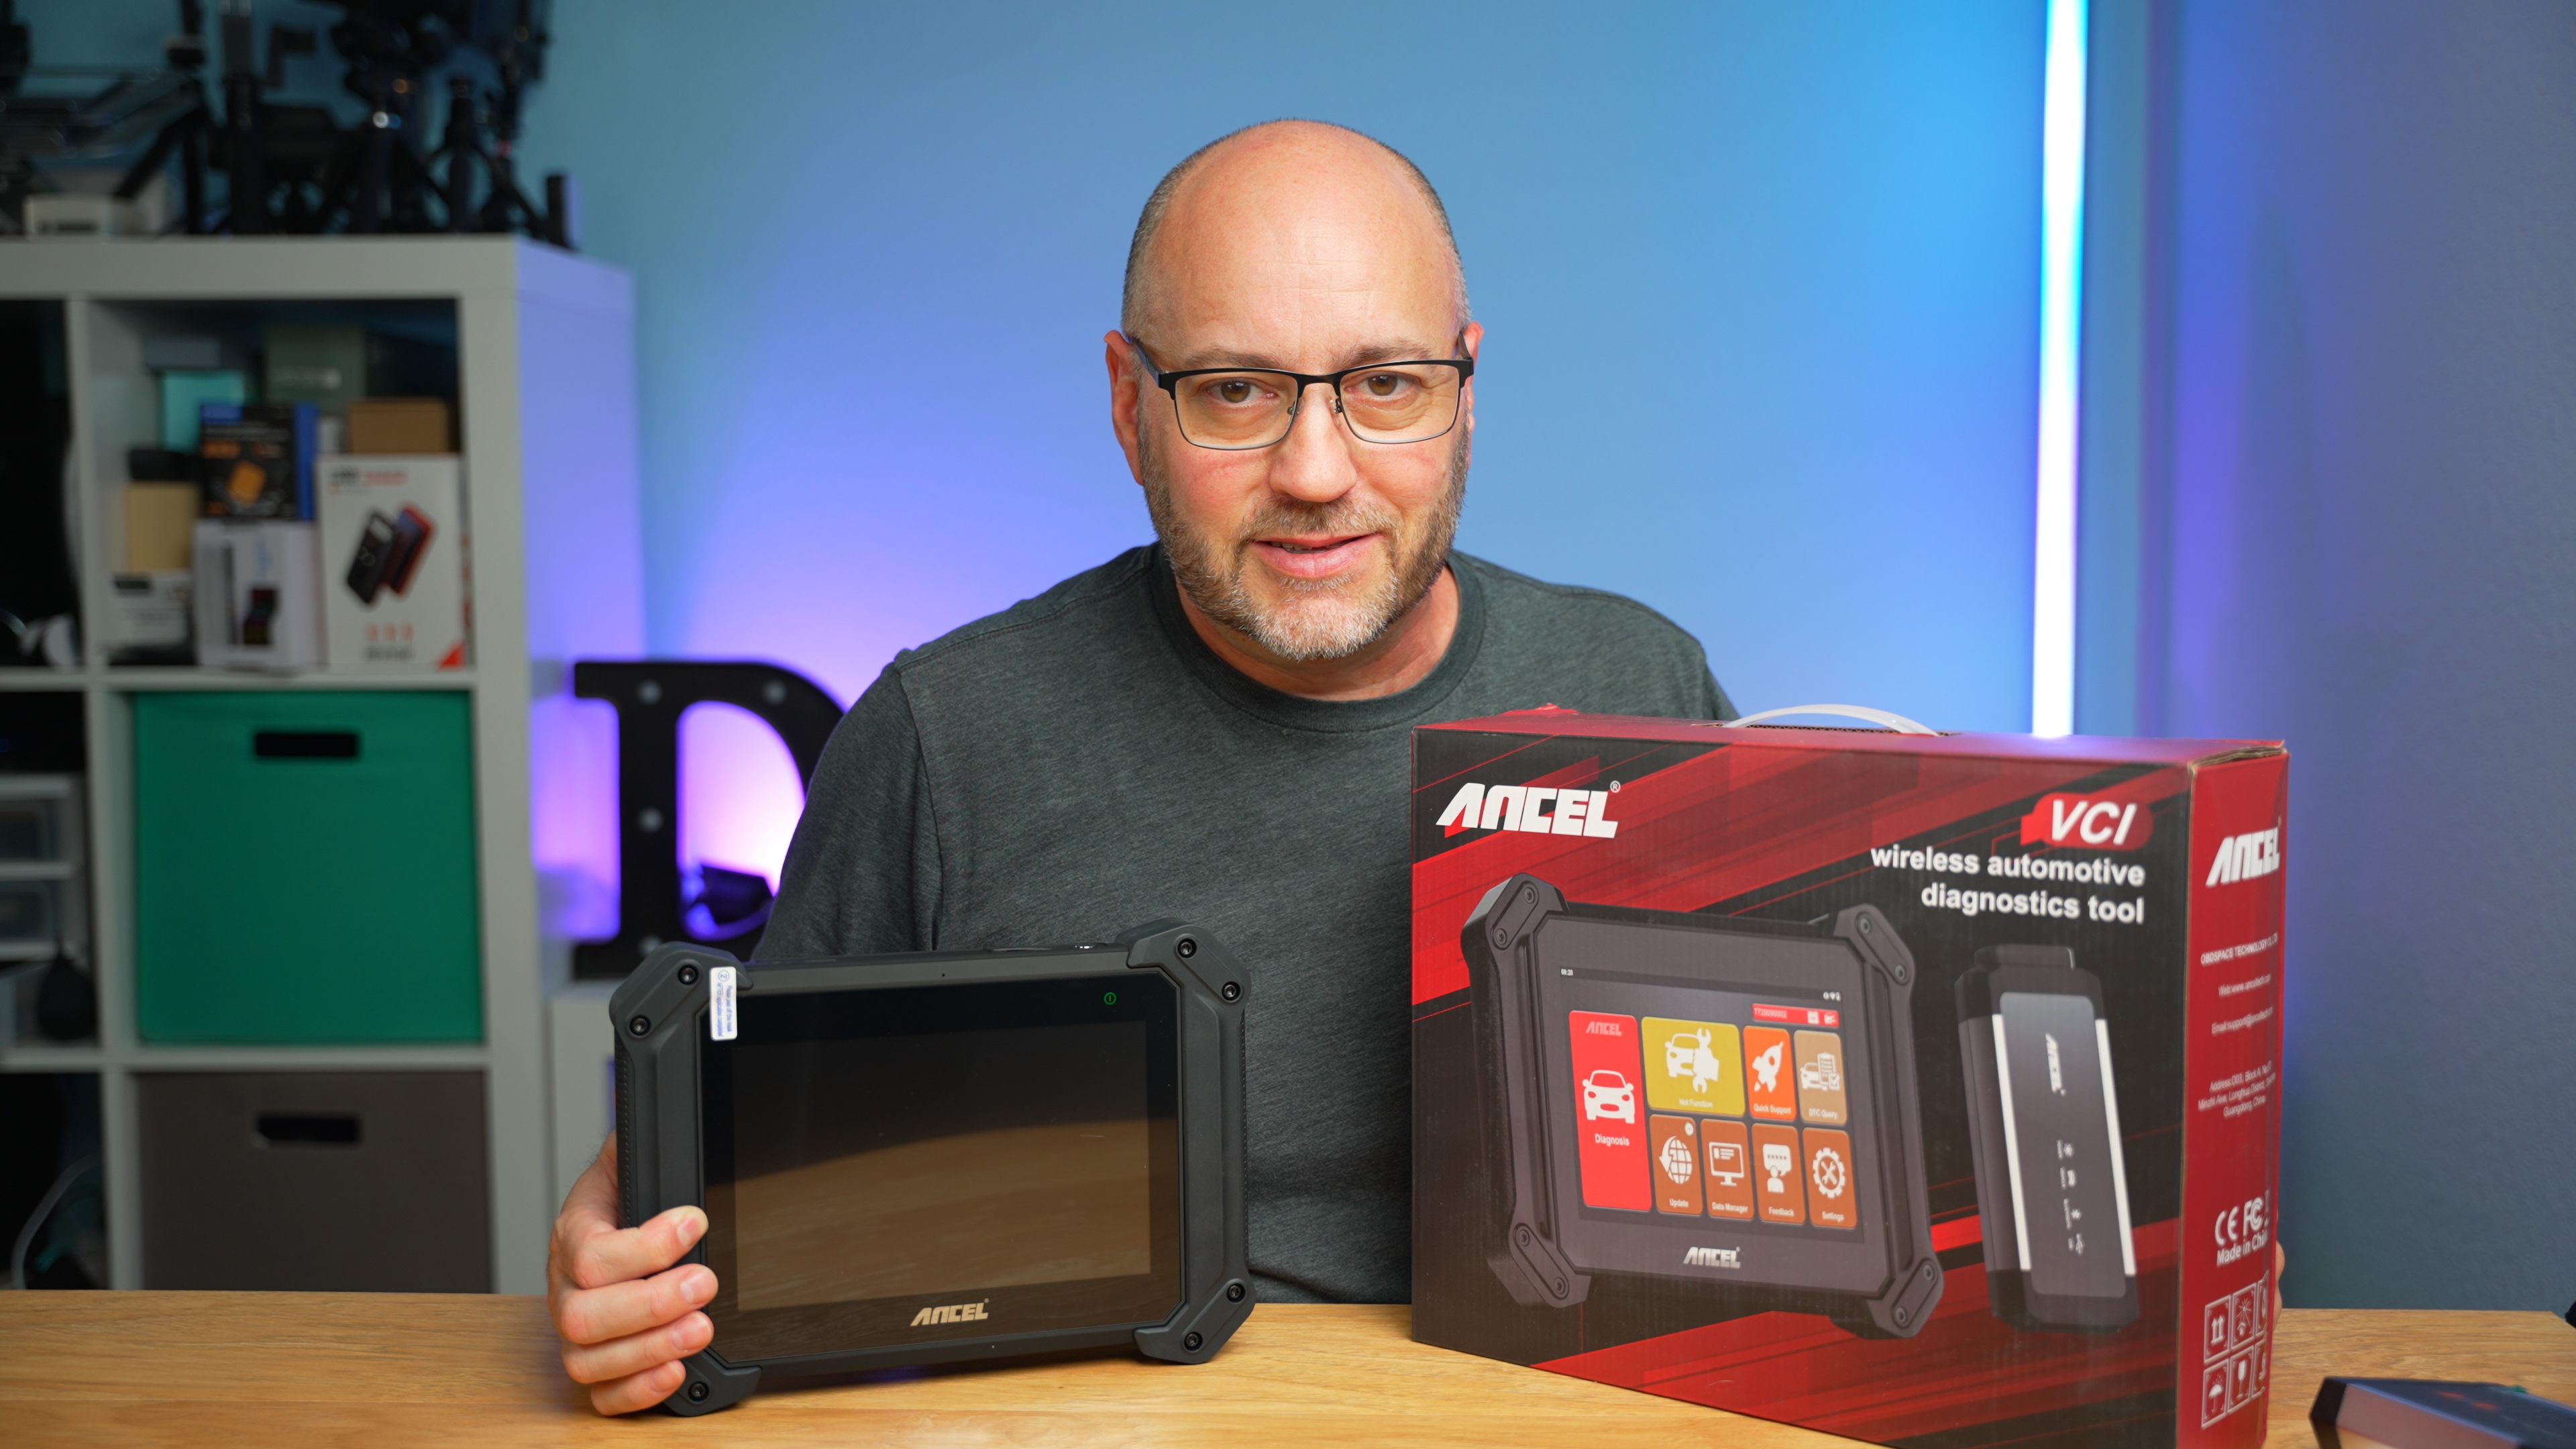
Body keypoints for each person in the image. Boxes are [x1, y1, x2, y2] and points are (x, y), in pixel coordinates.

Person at [547, 118, 1732, 1414]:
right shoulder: (945, 740)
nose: (1316, 471)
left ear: (1466, 388)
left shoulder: (1648, 689)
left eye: (1388, 383)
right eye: (1235, 391)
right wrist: (635, 1258)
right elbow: (744, 1194)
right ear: (1129, 402)